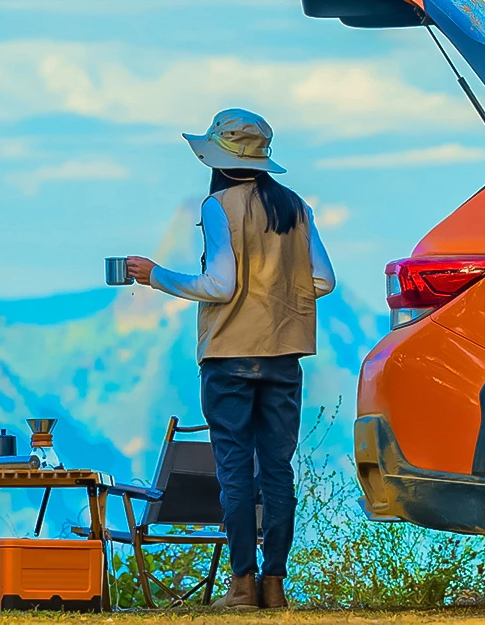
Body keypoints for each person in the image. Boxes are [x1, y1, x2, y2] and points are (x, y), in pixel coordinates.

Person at [126, 108, 335, 610]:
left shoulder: (219, 206)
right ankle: (275, 585)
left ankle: (241, 585)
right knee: (277, 471)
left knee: (236, 470)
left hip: (229, 358)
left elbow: (219, 285)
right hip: (285, 356)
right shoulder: (294, 206)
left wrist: (156, 275)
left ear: (216, 159)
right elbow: (324, 281)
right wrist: (278, 297)